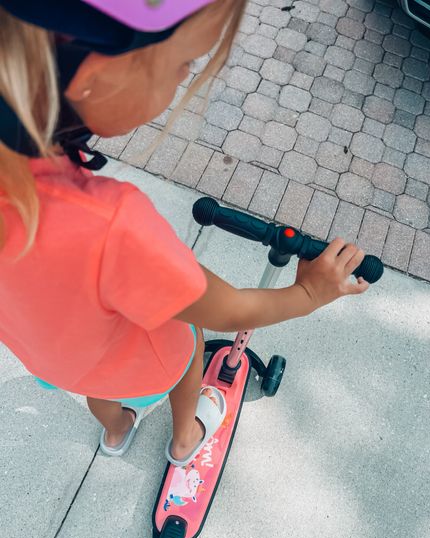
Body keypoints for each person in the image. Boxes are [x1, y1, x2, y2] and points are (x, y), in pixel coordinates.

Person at [0, 0, 369, 465]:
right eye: (184, 64)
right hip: (135, 362)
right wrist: (312, 293)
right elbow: (229, 310)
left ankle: (115, 432)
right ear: (95, 75)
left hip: (51, 357)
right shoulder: (112, 227)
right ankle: (185, 438)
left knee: (97, 385)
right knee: (189, 334)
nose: (185, 78)